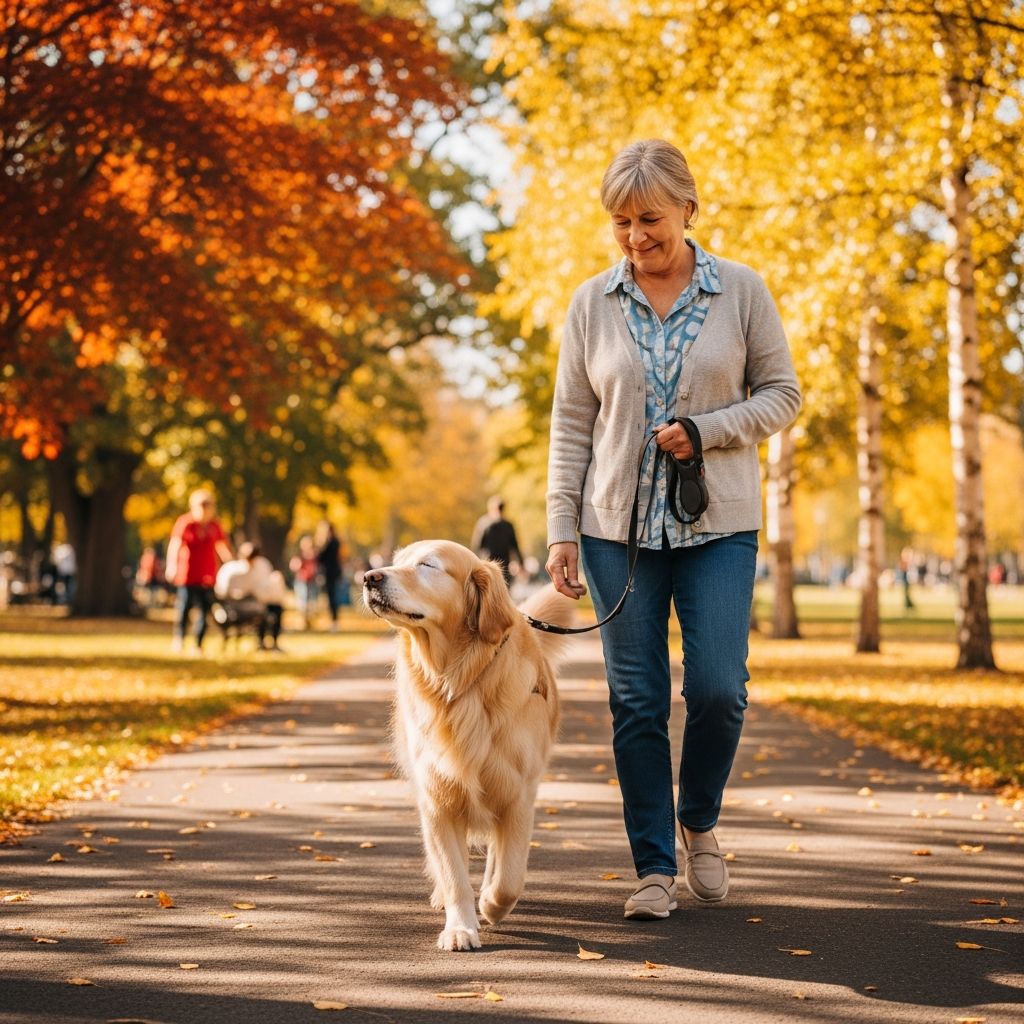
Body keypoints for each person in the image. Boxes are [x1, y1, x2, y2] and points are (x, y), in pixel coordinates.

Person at [545, 139, 801, 921]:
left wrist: (709, 429)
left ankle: (700, 818)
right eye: (621, 222)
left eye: (650, 219)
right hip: (614, 530)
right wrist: (561, 527)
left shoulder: (742, 292)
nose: (635, 237)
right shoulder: (592, 303)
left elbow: (784, 395)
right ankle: (654, 867)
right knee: (638, 701)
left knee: (720, 688)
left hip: (717, 525)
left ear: (688, 208)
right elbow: (571, 423)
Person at [165, 489, 233, 654]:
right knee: (184, 608)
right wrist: (171, 565)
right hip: (188, 574)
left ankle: (198, 644)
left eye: (208, 505)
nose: (205, 509)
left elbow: (222, 547)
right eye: (202, 505)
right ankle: (179, 639)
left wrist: (232, 563)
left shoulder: (214, 525)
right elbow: (175, 544)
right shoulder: (186, 523)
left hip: (208, 575)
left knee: (204, 610)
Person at [215, 542, 288, 651]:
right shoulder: (234, 569)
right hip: (232, 608)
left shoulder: (258, 566)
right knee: (265, 611)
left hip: (246, 605)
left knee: (273, 608)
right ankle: (263, 643)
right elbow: (222, 592)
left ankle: (267, 643)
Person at [471, 495, 523, 586]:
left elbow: (477, 545)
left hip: (487, 563)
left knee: (488, 588)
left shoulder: (483, 523)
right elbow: (515, 546)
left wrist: (474, 564)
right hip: (504, 564)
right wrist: (521, 562)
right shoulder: (508, 525)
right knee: (504, 588)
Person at [315, 520, 342, 632]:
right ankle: (333, 621)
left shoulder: (332, 542)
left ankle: (334, 622)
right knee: (331, 598)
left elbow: (321, 557)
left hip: (331, 574)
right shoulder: (332, 542)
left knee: (332, 598)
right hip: (329, 574)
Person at [289, 534, 319, 630]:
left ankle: (310, 621)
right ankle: (304, 621)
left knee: (312, 602)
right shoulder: (300, 556)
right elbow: (293, 566)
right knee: (302, 602)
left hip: (312, 581)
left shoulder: (315, 555)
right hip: (302, 581)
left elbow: (317, 567)